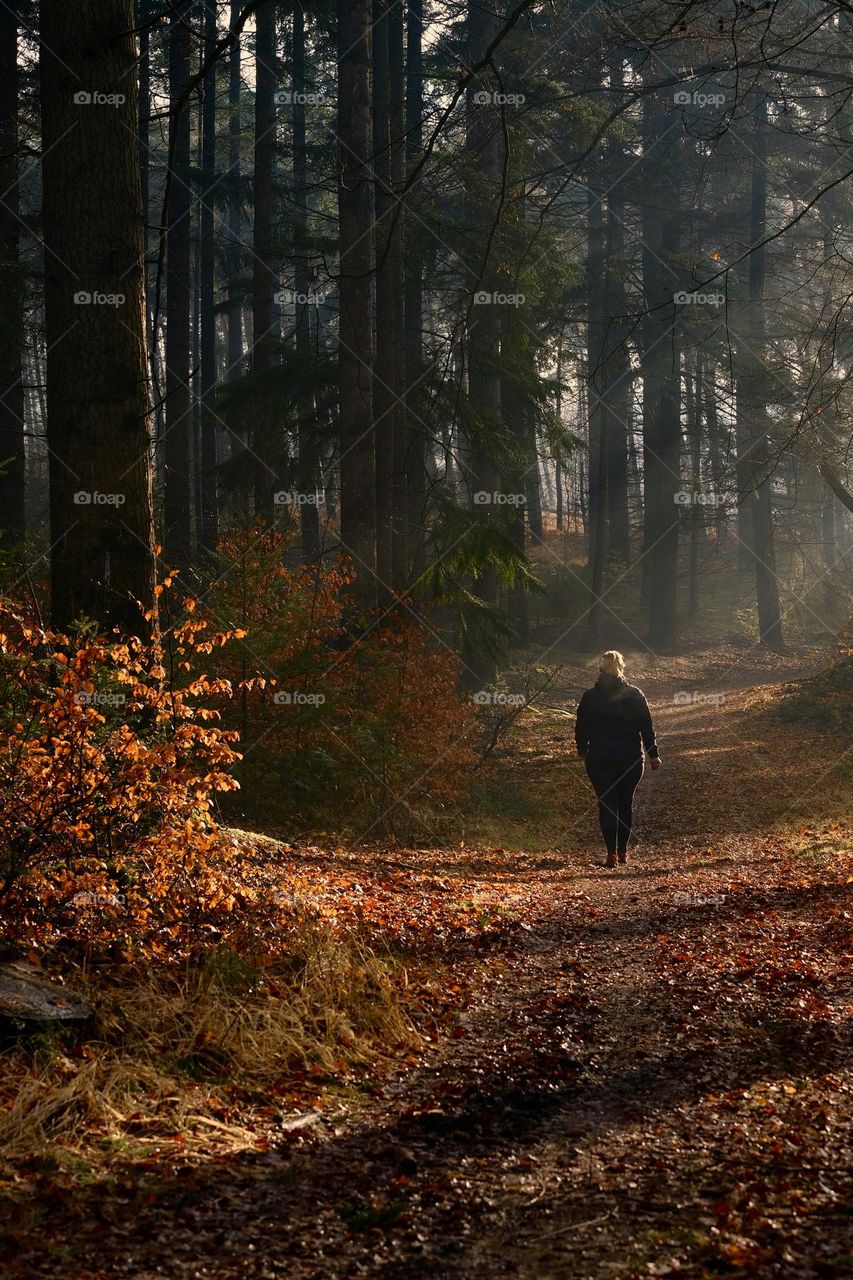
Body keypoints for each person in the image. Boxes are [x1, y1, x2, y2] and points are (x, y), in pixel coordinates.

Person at [574, 650, 661, 868]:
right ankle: (622, 852)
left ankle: (611, 854)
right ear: (621, 668)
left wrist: (582, 749)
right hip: (629, 758)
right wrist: (653, 754)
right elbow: (646, 727)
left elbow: (581, 727)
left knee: (607, 804)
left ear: (601, 669)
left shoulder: (590, 697)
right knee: (625, 804)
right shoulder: (634, 694)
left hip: (600, 758)